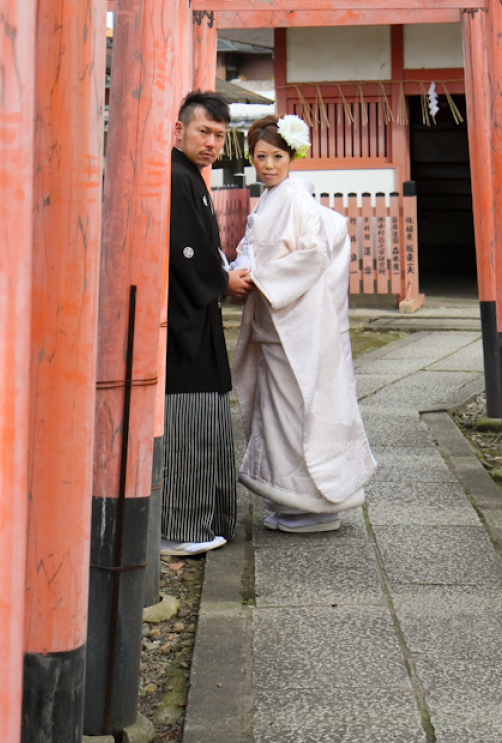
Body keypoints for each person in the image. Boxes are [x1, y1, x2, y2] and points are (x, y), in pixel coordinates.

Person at [231, 113, 377, 533]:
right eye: (261, 156)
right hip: (279, 322)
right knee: (285, 413)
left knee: (296, 414)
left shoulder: (294, 197)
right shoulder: (275, 198)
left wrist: (259, 278)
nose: (269, 165)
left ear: (292, 156)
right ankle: (299, 502)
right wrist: (245, 269)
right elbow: (251, 248)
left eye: (277, 155)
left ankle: (311, 503)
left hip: (292, 322)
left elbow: (311, 255)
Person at [159, 91, 252, 556]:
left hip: (197, 317)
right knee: (187, 425)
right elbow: (187, 254)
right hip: (181, 324)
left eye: (219, 135)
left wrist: (220, 278)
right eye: (204, 132)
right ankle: (180, 527)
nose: (212, 142)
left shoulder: (190, 177)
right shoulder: (175, 177)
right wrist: (223, 282)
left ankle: (205, 518)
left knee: (206, 421)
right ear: (179, 131)